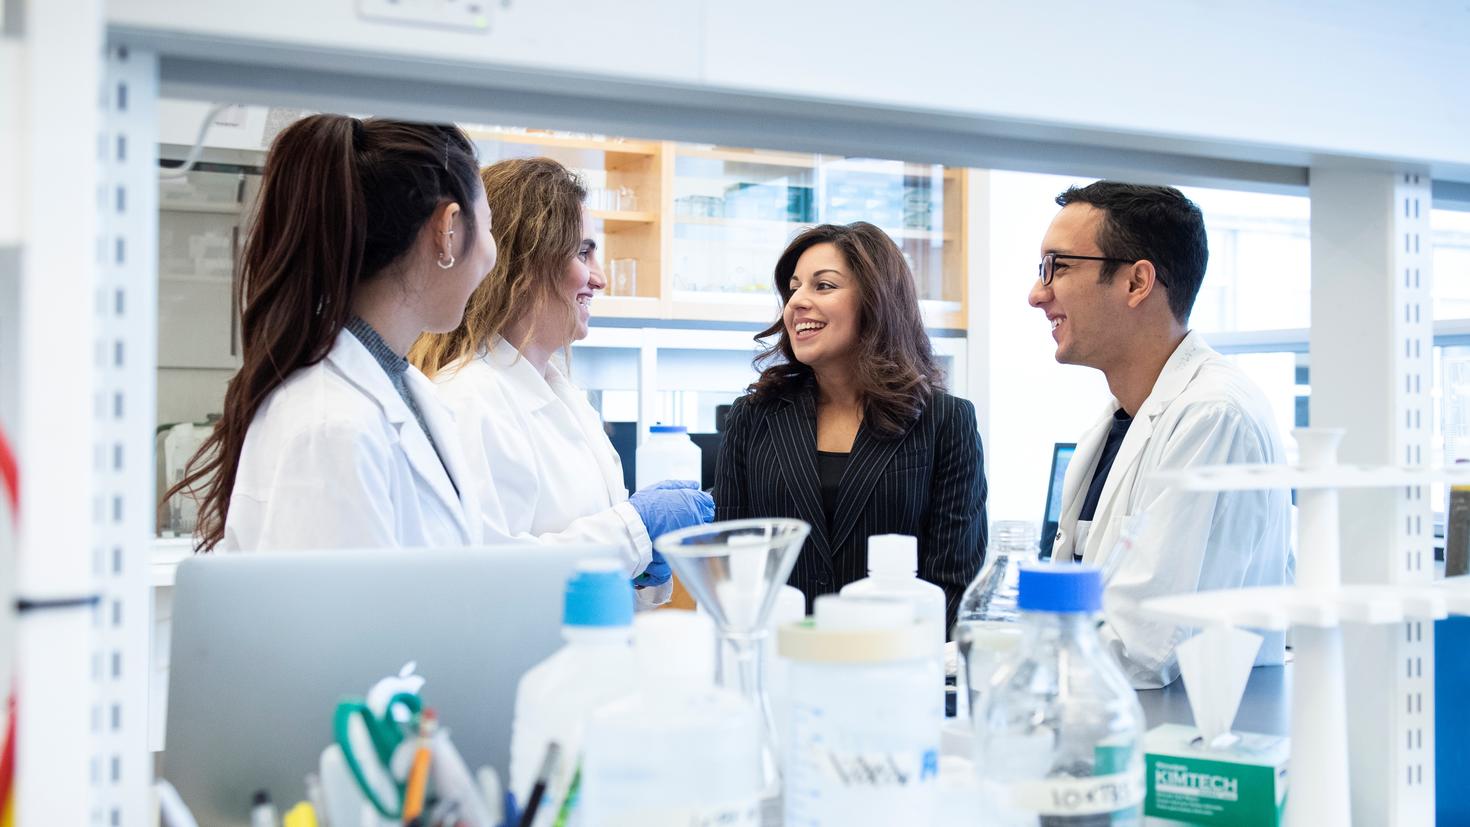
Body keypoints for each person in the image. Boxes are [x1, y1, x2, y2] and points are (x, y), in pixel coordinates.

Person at [166, 116, 497, 552]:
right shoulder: (332, 426)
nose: (492, 256)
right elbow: (346, 619)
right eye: (489, 228)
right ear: (448, 230)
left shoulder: (399, 390)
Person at [411, 157, 711, 606]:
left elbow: (593, 556)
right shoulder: (470, 399)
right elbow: (487, 582)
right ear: (525, 264)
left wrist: (643, 560)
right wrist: (634, 529)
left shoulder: (560, 393)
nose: (600, 277)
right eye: (583, 252)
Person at [1031, 181, 1293, 688]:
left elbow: (1144, 647)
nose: (1038, 293)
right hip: (1110, 720)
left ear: (1136, 282)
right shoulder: (1116, 424)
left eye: (1058, 268)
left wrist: (1009, 662)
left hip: (1187, 740)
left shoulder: (1214, 416)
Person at [713, 222, 988, 629]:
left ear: (876, 301)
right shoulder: (753, 418)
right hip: (780, 666)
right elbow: (731, 567)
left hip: (893, 670)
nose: (796, 303)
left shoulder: (945, 422)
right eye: (793, 288)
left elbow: (953, 585)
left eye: (823, 286)